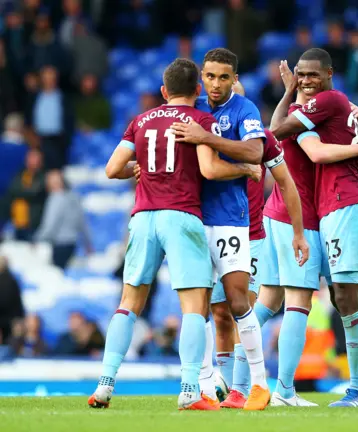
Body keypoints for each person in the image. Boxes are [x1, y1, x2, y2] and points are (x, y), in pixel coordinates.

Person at [88, 58, 242, 411]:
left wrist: (136, 168)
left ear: (163, 91)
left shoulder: (140, 121)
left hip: (142, 218)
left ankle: (105, 384)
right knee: (193, 307)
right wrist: (244, 169)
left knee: (128, 303)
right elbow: (208, 168)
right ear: (197, 90)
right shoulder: (203, 120)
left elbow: (112, 169)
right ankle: (189, 390)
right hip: (181, 215)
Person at [269, 48, 358, 407]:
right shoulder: (336, 107)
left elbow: (280, 132)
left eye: (312, 75)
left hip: (346, 202)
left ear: (329, 73)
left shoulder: (328, 101)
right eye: (300, 74)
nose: (306, 81)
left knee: (346, 296)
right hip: (332, 206)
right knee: (343, 298)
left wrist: (288, 92)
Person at [170, 48, 270, 411]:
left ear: (234, 79)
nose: (215, 84)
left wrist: (206, 137)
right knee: (200, 307)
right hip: (192, 217)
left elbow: (255, 152)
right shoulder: (191, 108)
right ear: (201, 77)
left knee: (238, 300)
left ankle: (259, 385)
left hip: (229, 217)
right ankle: (206, 384)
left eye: (223, 77)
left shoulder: (244, 111)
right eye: (210, 77)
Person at [211, 85, 310, 409]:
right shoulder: (208, 133)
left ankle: (242, 387)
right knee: (220, 314)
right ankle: (223, 383)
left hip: (252, 236)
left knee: (244, 309)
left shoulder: (261, 140)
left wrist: (298, 232)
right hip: (213, 231)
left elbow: (285, 181)